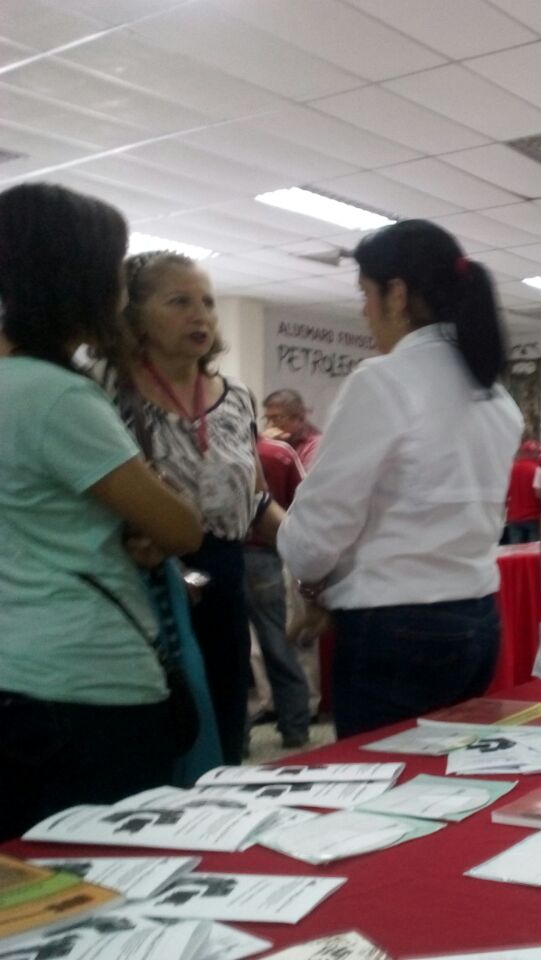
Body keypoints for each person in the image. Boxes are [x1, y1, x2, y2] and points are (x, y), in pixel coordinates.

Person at [0, 183, 203, 838]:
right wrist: (144, 521)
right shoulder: (57, 396)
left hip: (13, 671)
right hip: (83, 679)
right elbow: (180, 527)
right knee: (112, 868)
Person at [278, 219, 522, 739]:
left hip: (397, 627)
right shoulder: (497, 396)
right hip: (478, 616)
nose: (364, 312)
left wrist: (307, 579)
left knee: (387, 776)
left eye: (365, 294)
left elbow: (319, 530)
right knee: (454, 771)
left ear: (397, 294)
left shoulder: (383, 381)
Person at [111, 250, 284, 766]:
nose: (201, 316)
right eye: (179, 302)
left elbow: (254, 498)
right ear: (135, 314)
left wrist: (313, 552)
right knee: (162, 731)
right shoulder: (107, 391)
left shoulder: (237, 397)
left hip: (225, 578)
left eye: (207, 303)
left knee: (226, 721)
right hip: (146, 578)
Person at [245, 432, 311, 749]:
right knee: (277, 642)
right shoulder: (278, 453)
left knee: (230, 649)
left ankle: (235, 735)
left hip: (220, 552)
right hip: (264, 554)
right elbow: (305, 498)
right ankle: (295, 726)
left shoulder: (206, 448)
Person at [262, 388, 322, 469]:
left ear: (299, 418)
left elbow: (303, 476)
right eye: (267, 419)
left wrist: (277, 450)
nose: (270, 425)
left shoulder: (315, 445)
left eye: (277, 418)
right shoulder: (274, 441)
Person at [504, 438, 541, 543]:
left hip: (513, 517)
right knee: (534, 549)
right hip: (533, 517)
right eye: (537, 453)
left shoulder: (512, 469)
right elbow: (539, 494)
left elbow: (507, 493)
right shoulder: (537, 470)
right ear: (533, 453)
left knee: (515, 549)